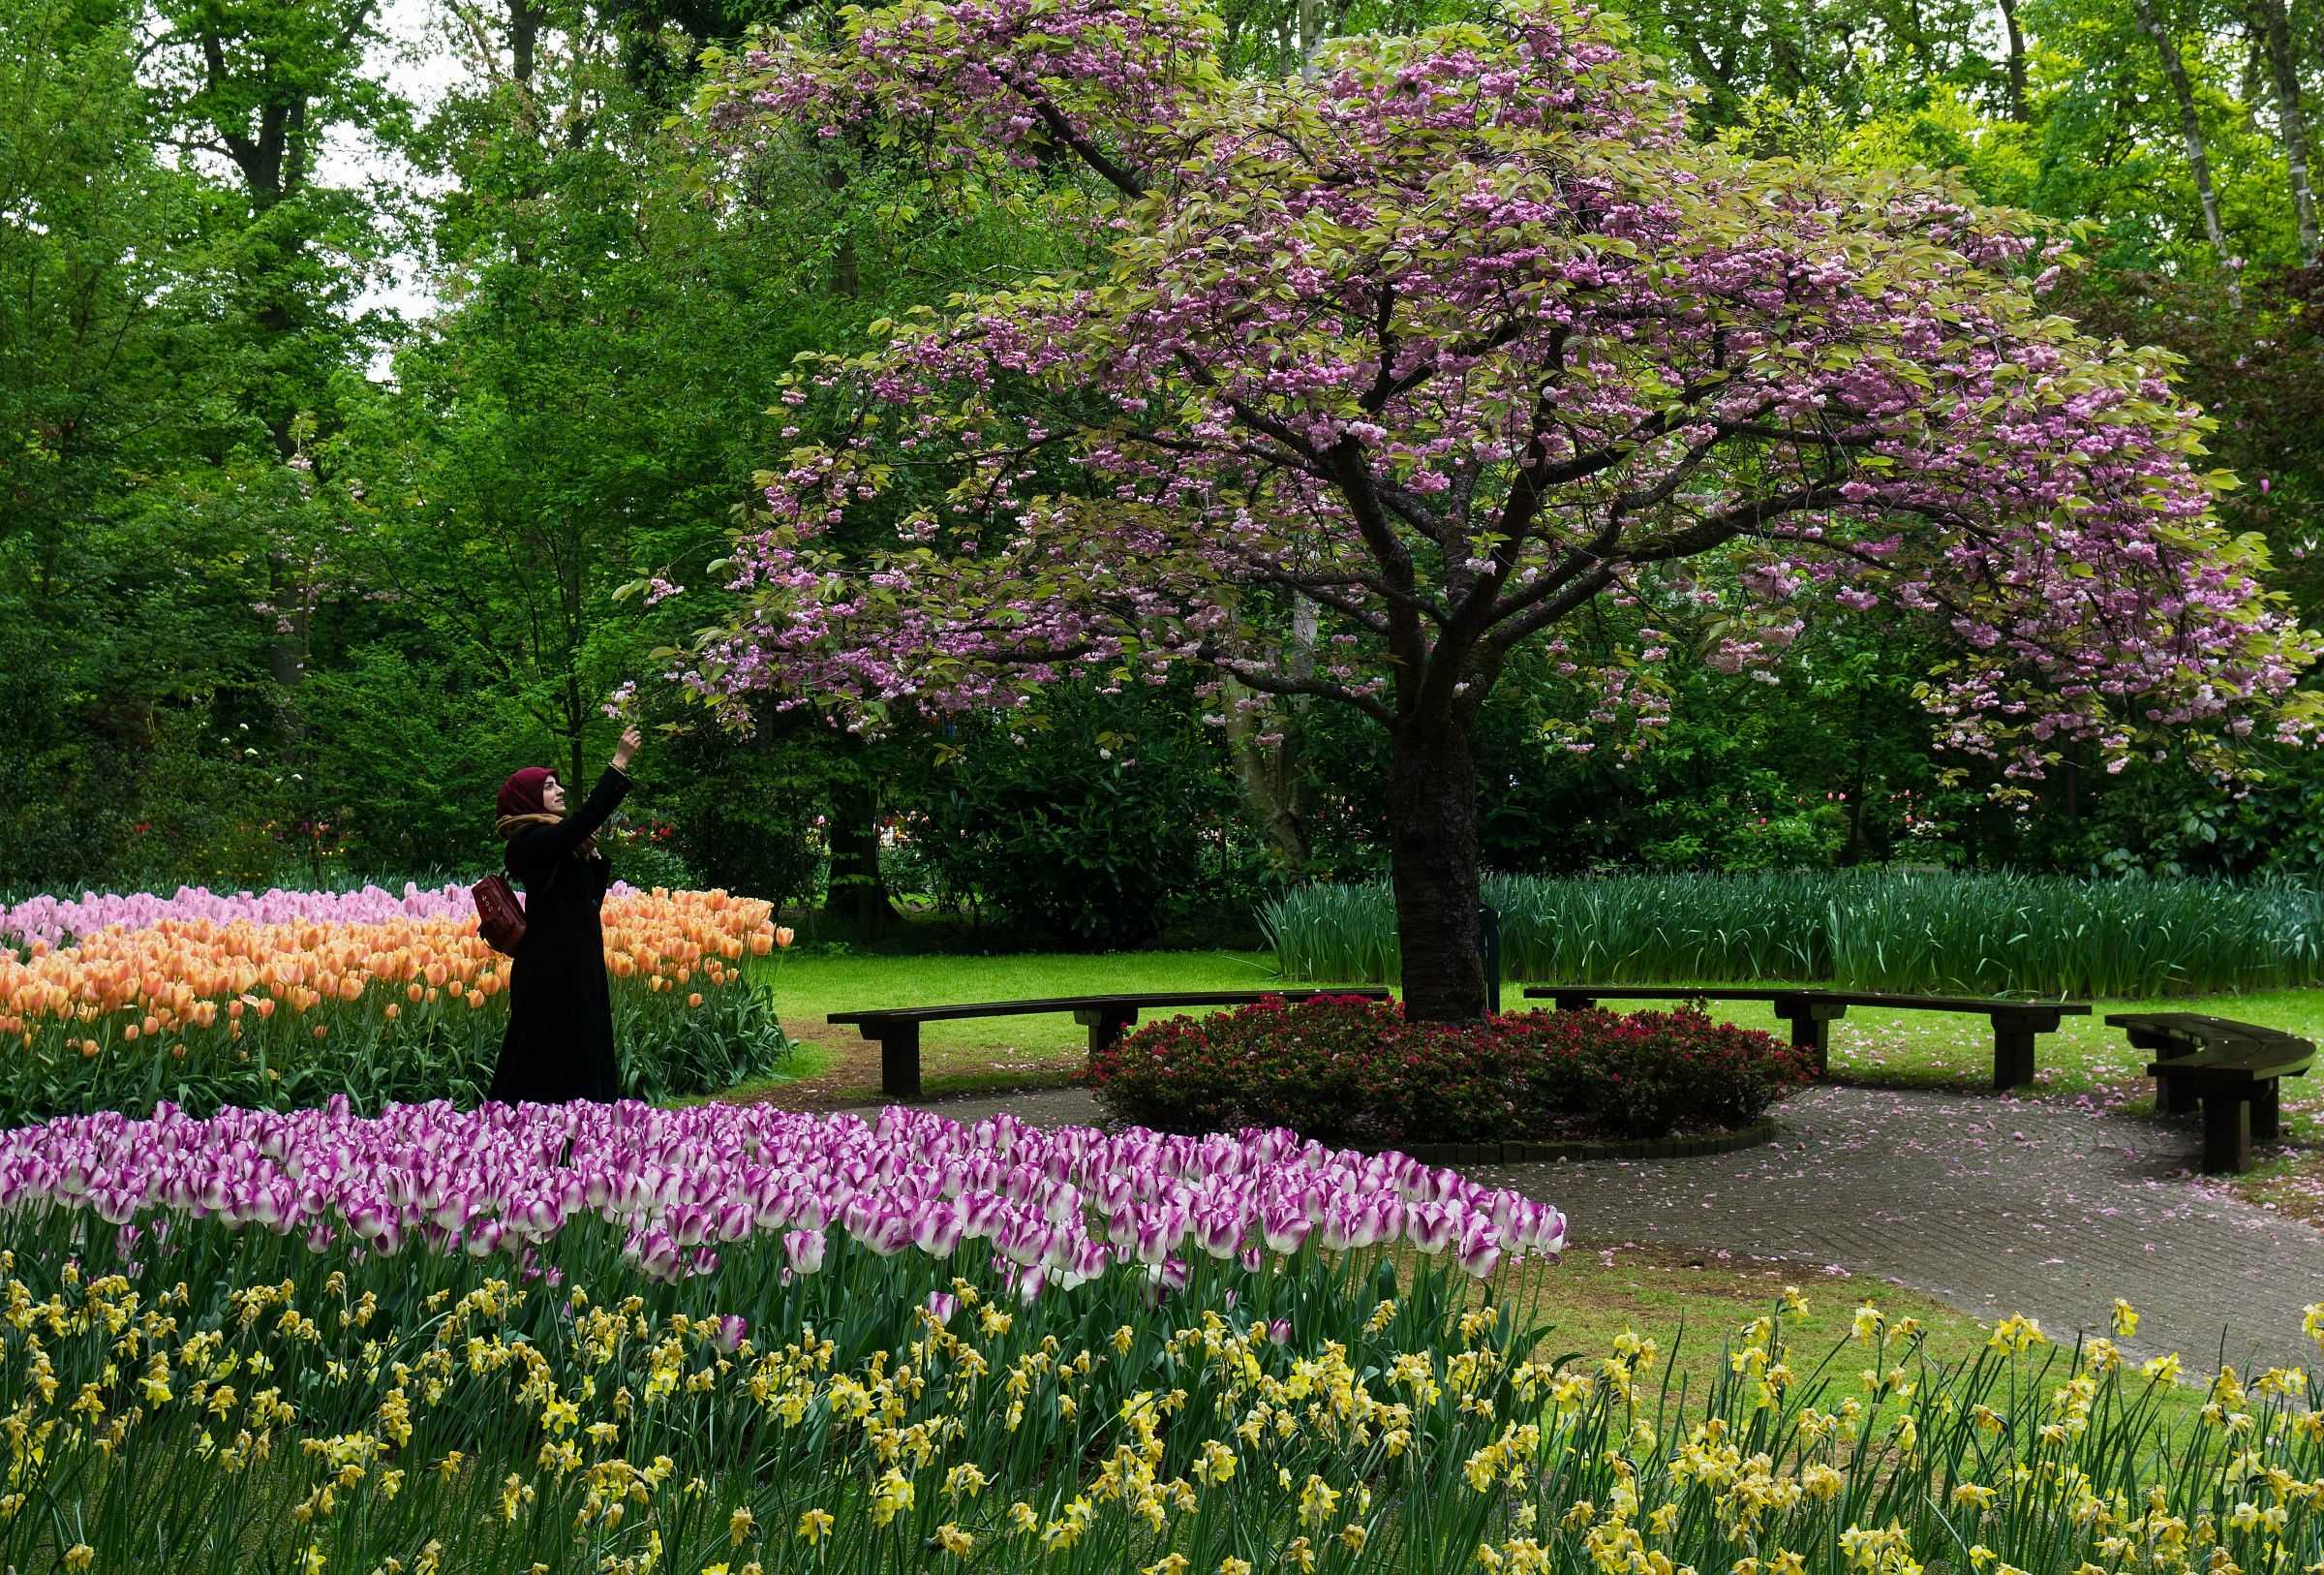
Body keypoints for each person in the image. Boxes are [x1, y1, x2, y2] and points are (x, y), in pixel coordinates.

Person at [489, 726, 641, 1104]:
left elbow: (587, 901)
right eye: (548, 787)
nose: (559, 792)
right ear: (527, 800)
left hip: (573, 962)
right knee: (541, 1051)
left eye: (557, 785)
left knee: (577, 1044)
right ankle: (526, 1124)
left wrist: (590, 857)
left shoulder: (560, 846)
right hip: (549, 969)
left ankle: (584, 1123)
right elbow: (585, 819)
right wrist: (619, 763)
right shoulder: (528, 843)